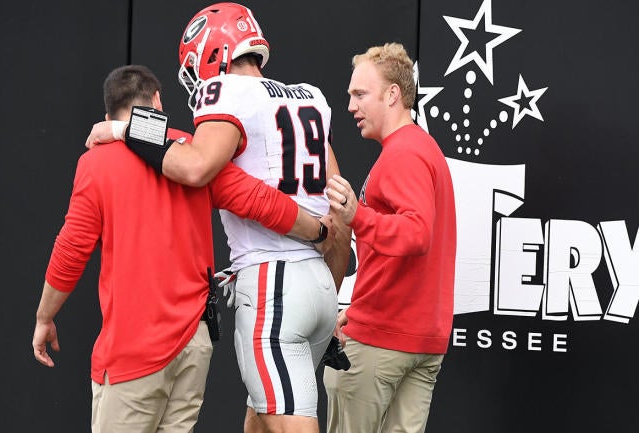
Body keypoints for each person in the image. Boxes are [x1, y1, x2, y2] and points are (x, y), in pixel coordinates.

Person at [86, 4, 350, 433]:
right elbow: (340, 214)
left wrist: (125, 128)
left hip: (272, 285)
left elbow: (195, 165)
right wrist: (328, 291)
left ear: (211, 53)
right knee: (259, 421)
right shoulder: (311, 97)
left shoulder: (225, 91)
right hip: (318, 283)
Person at [31, 64, 331, 433]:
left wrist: (45, 317)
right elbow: (260, 201)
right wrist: (318, 230)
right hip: (194, 343)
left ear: (108, 114)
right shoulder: (192, 150)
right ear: (157, 101)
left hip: (132, 348)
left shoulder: (97, 163)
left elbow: (71, 250)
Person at [321, 43, 457, 433]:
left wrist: (356, 215)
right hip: (419, 338)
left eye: (360, 94)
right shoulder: (422, 149)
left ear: (393, 94)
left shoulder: (404, 153)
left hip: (384, 340)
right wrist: (359, 308)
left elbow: (417, 234)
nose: (350, 106)